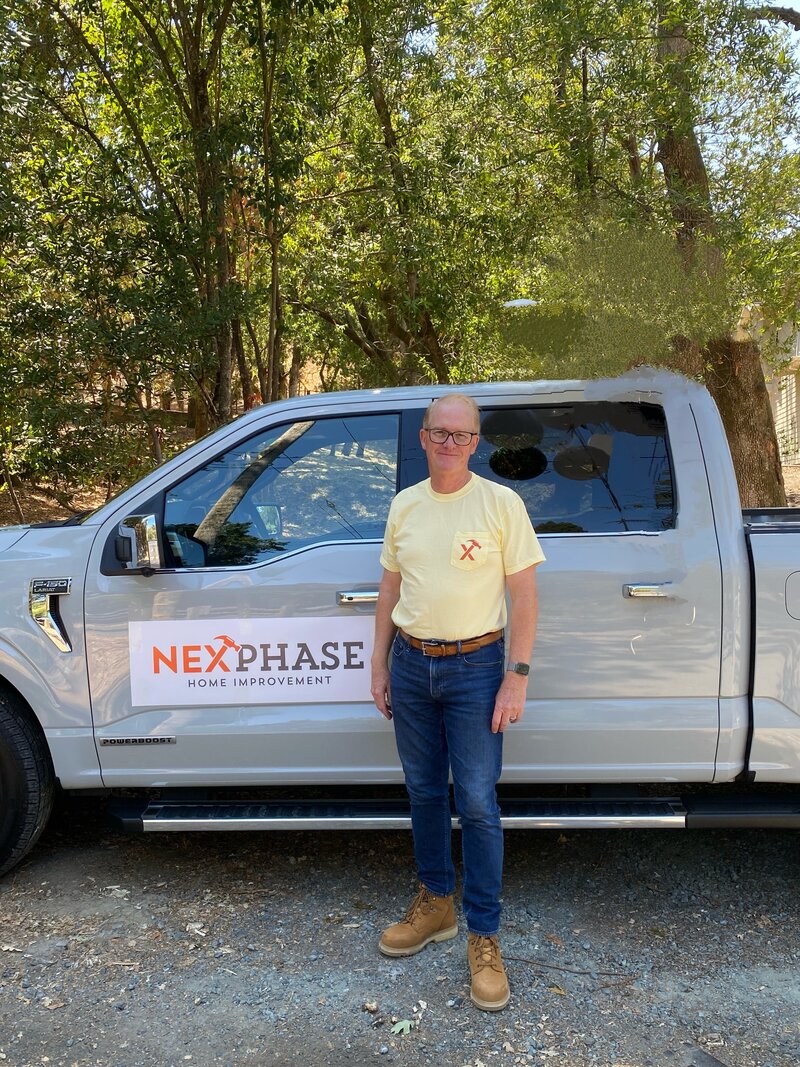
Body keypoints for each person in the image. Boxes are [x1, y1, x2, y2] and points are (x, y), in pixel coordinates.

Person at [370, 392, 545, 1012]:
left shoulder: (501, 504)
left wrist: (516, 677)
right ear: (424, 438)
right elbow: (390, 587)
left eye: (461, 435)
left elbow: (525, 598)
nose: (450, 443)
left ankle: (484, 935)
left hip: (476, 668)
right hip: (411, 665)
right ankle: (436, 903)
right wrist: (379, 664)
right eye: (439, 433)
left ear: (476, 442)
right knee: (423, 790)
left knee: (475, 801)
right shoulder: (405, 505)